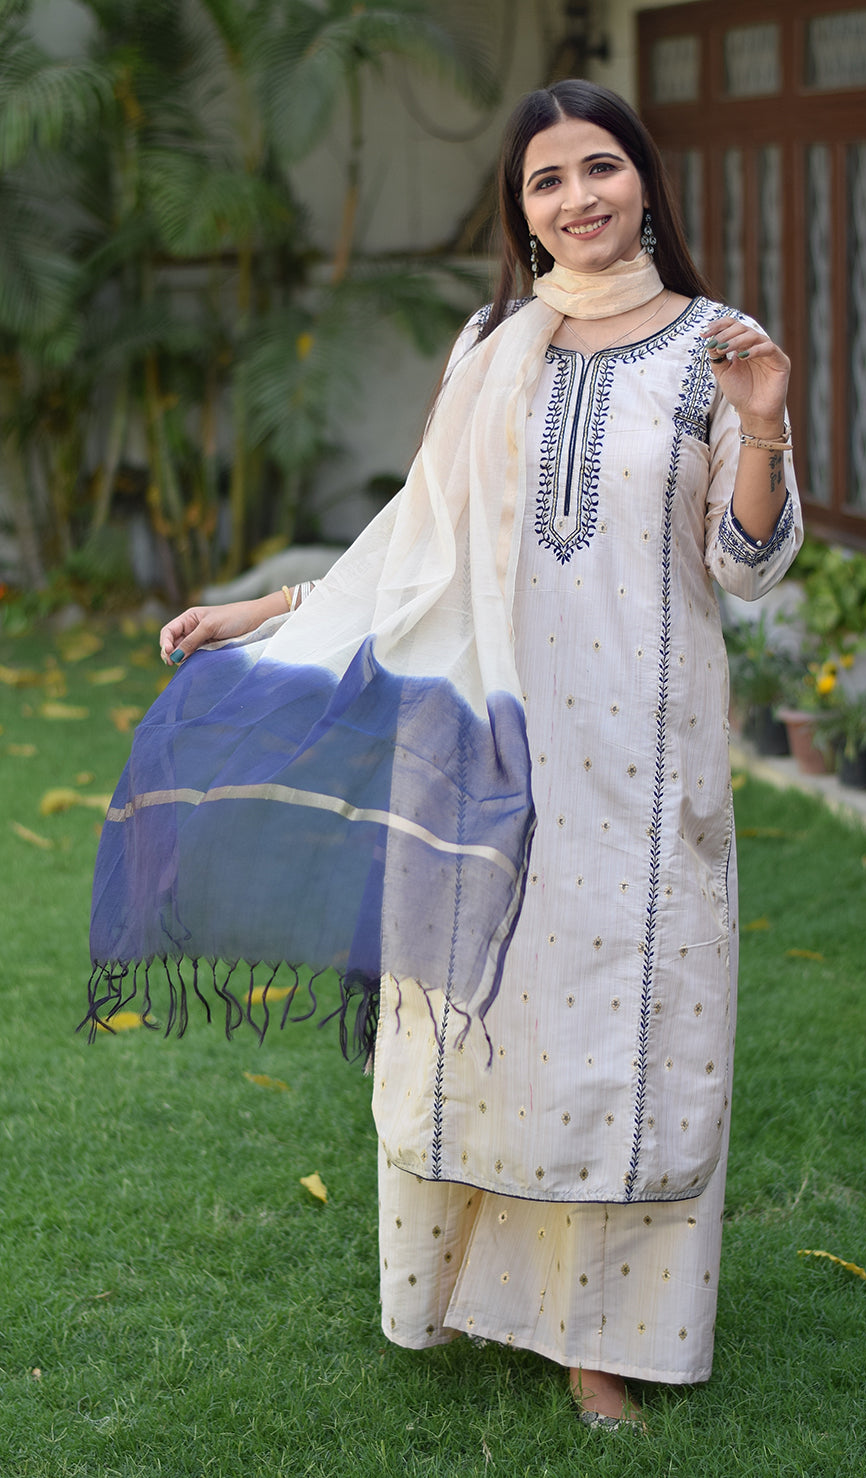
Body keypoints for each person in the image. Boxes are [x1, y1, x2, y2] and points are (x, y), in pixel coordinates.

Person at [90, 80, 801, 1429]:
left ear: (644, 182)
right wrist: (270, 608)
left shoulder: (718, 346)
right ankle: (467, 1291)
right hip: (481, 745)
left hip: (637, 769)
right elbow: (411, 543)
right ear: (518, 214)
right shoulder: (489, 341)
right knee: (482, 1024)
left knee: (618, 1028)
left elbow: (747, 563)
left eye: (601, 167)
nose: (578, 197)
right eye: (546, 181)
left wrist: (760, 417)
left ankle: (604, 1339)